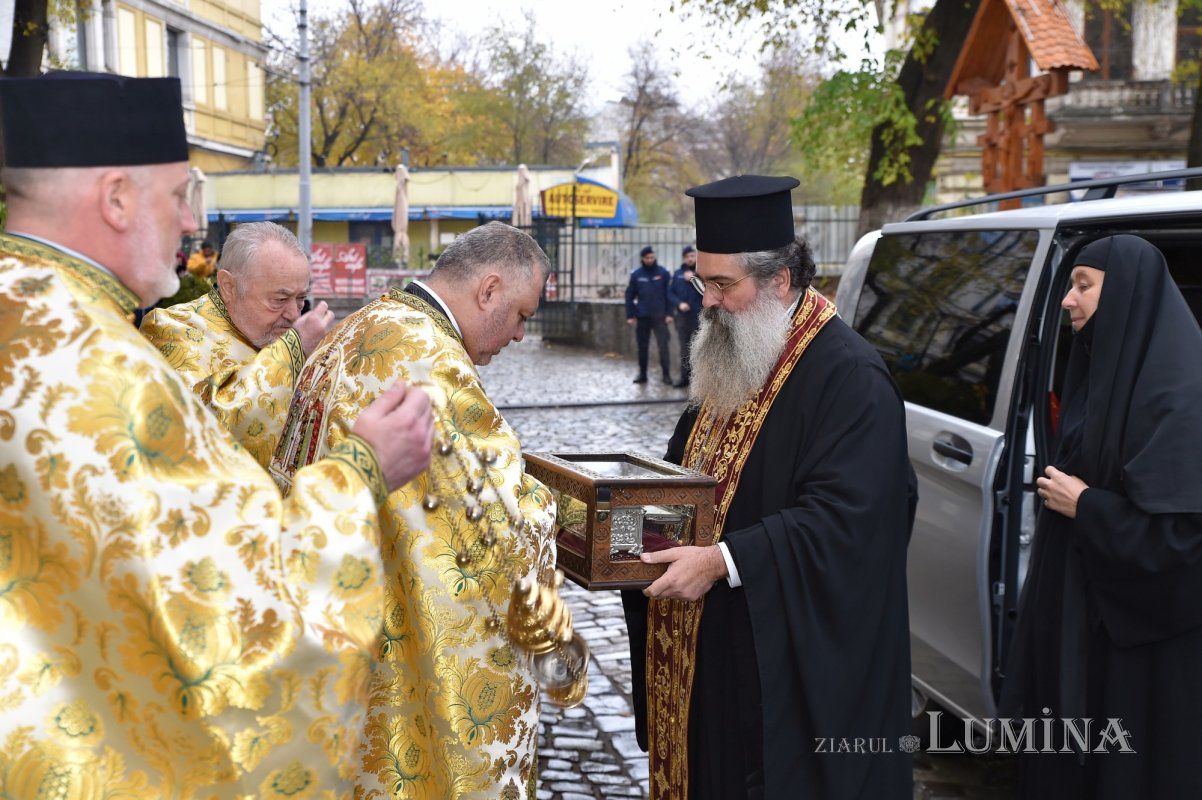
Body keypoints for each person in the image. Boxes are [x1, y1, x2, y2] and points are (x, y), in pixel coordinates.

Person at [0, 72, 435, 796]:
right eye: (178, 197)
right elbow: (236, 611)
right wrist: (362, 469)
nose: (187, 227)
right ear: (115, 199)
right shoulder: (85, 358)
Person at [621, 175, 915, 799]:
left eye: (725, 285)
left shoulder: (850, 377)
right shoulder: (738, 350)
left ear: (780, 280)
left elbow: (849, 522)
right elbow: (687, 475)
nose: (709, 301)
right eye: (704, 281)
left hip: (782, 669)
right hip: (712, 655)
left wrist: (723, 560)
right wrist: (616, 526)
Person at [271, 221, 560, 798]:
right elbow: (501, 520)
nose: (522, 335)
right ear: (489, 290)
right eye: (523, 314)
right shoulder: (432, 358)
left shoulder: (360, 326)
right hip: (393, 646)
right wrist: (563, 510)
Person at [1001, 234, 1202, 798]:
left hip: (1141, 650)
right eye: (1071, 285)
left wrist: (1087, 506)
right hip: (1082, 620)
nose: (1068, 299)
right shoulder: (1102, 375)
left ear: (1128, 294)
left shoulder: (1182, 398)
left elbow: (1182, 539)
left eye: (1083, 285)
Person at [141, 221, 334, 467]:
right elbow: (201, 428)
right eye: (280, 299)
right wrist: (292, 351)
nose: (294, 315)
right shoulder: (169, 329)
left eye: (300, 299)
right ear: (228, 287)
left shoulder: (284, 335)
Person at [625, 244, 674, 384]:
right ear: (642, 258)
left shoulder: (663, 273)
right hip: (643, 317)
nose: (650, 260)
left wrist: (669, 313)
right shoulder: (637, 275)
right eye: (647, 257)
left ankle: (666, 375)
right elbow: (629, 295)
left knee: (663, 346)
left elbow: (669, 294)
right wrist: (630, 315)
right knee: (642, 347)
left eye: (652, 257)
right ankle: (642, 375)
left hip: (660, 317)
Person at [667, 244, 702, 387]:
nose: (690, 259)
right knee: (684, 348)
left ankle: (698, 381)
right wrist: (679, 303)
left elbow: (706, 291)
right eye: (687, 257)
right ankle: (684, 378)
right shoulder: (677, 274)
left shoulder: (702, 274)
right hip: (682, 317)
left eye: (692, 256)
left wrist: (695, 279)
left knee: (698, 349)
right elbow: (670, 293)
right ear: (684, 258)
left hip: (698, 316)